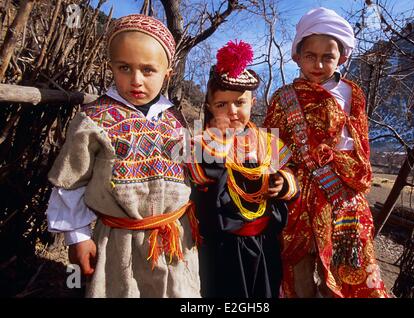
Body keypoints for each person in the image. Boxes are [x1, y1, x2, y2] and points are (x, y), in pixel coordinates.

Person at [45, 14, 201, 298]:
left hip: (175, 241)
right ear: (111, 67)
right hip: (120, 243)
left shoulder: (176, 120)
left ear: (168, 74)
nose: (136, 80)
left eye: (148, 70)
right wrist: (77, 237)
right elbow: (70, 183)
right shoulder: (94, 120)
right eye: (124, 68)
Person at [264, 7, 389, 298]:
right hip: (300, 196)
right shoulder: (284, 99)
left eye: (328, 57)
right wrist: (281, 177)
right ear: (297, 56)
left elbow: (360, 144)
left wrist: (345, 168)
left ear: (342, 57)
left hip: (343, 194)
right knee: (299, 269)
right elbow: (272, 148)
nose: (318, 64)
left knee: (350, 267)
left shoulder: (352, 94)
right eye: (310, 56)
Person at [186, 40, 299, 298]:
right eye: (221, 105)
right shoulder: (198, 145)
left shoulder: (270, 143)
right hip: (220, 250)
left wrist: (284, 183)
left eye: (239, 103)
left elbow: (293, 175)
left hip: (264, 246)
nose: (232, 112)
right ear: (209, 107)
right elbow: (195, 181)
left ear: (253, 102)